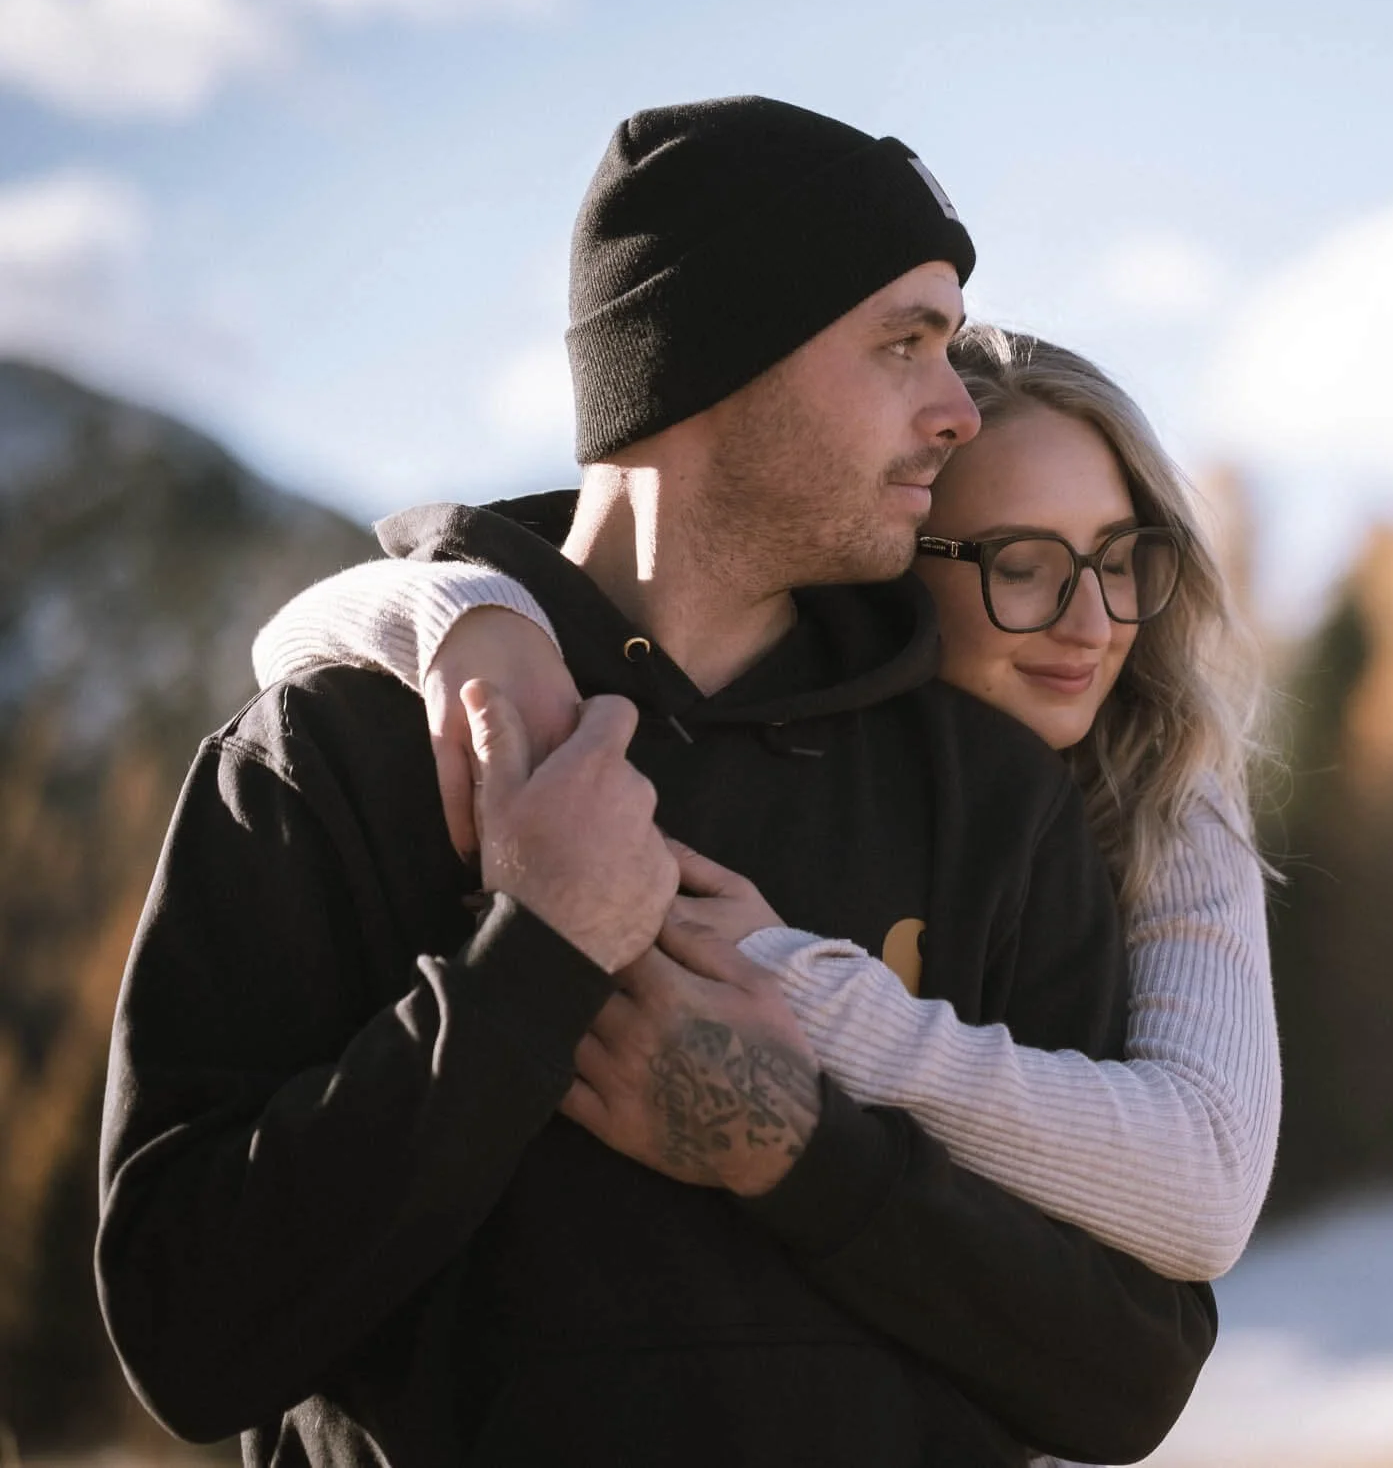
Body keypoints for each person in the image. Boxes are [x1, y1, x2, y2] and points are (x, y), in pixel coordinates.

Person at [97, 97, 1215, 1467]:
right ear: (712, 362)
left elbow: (1130, 1375)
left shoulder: (987, 792)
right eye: (904, 344)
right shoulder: (340, 754)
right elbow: (185, 1337)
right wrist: (530, 963)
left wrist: (799, 1151)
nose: (955, 408)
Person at [252, 324, 1282, 1284]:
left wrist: (799, 991)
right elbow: (296, 635)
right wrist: (465, 617)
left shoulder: (1171, 786)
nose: (1094, 622)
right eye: (1022, 566)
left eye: (1119, 558)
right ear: (885, 554)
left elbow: (1205, 1182)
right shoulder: (762, 729)